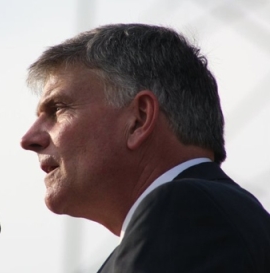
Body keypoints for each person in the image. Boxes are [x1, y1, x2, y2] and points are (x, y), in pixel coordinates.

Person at [20, 23, 270, 272]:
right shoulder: (210, 214)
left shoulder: (185, 209)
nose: (29, 139)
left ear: (138, 119)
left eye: (57, 109)